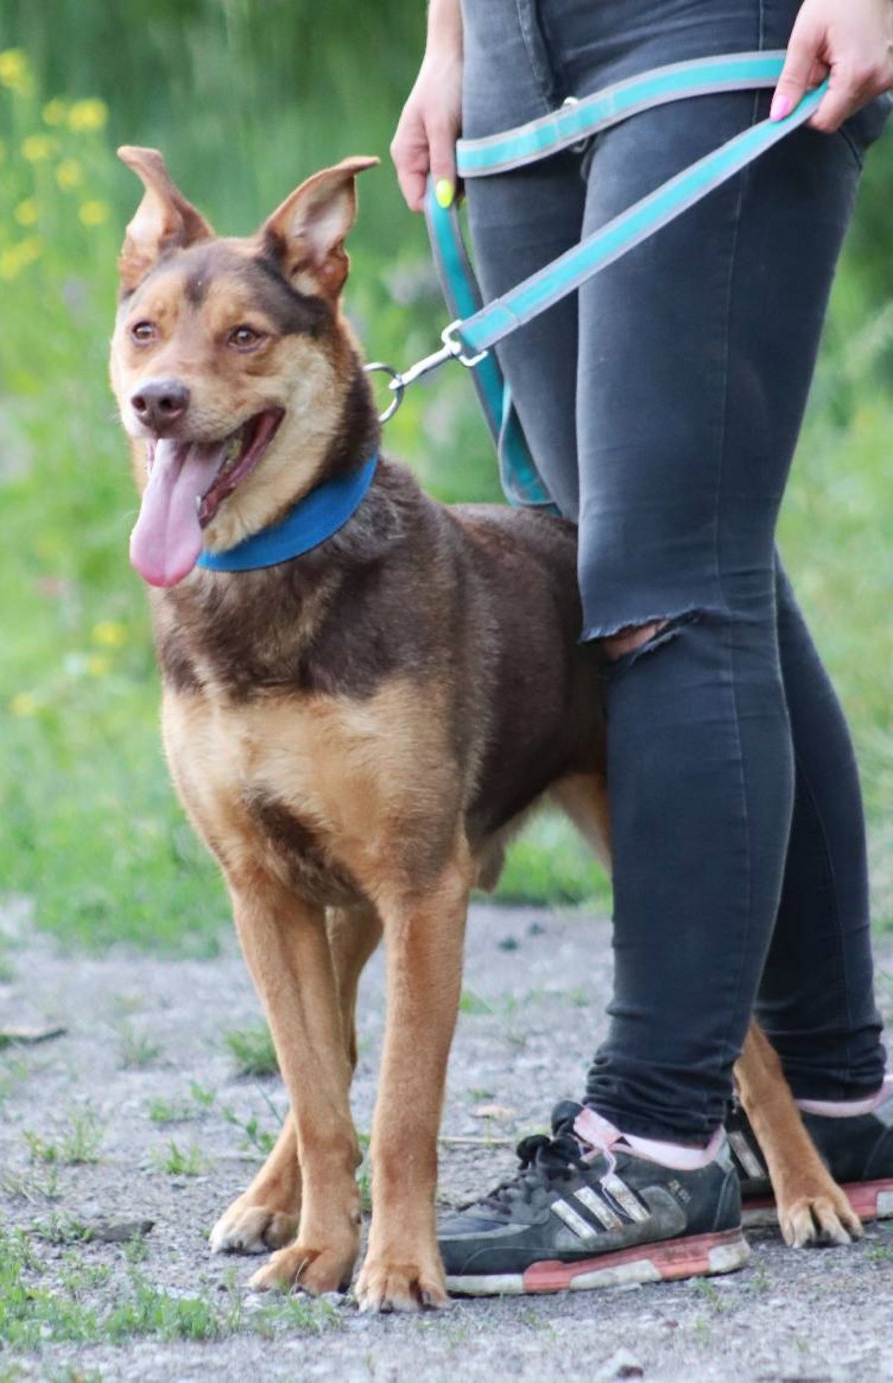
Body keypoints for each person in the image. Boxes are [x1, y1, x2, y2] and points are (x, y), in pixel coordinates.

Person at [391, 0, 893, 1291]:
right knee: (673, 554)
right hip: (515, 68)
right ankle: (839, 1101)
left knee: (664, 583)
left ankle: (656, 1138)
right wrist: (451, 41)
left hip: (712, 30)